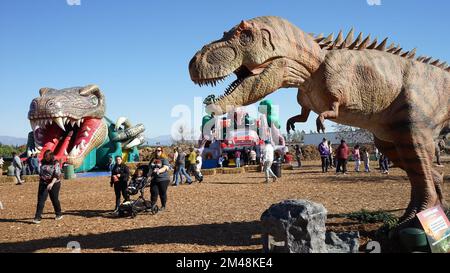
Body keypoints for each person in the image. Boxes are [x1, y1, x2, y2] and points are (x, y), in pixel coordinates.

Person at [33, 150, 63, 224]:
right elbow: (41, 171)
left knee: (54, 199)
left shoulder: (55, 163)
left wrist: (51, 183)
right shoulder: (42, 162)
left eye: (47, 156)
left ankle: (58, 213)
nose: (46, 158)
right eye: (45, 156)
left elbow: (57, 174)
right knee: (41, 200)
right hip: (43, 183)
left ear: (51, 156)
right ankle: (37, 217)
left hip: (54, 183)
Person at [148, 147, 171, 211]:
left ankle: (163, 206)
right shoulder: (153, 159)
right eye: (156, 150)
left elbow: (165, 167)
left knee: (162, 193)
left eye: (159, 150)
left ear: (162, 151)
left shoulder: (164, 159)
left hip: (163, 179)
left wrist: (159, 171)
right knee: (153, 192)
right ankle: (152, 206)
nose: (157, 151)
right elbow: (150, 168)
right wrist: (148, 175)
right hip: (154, 179)